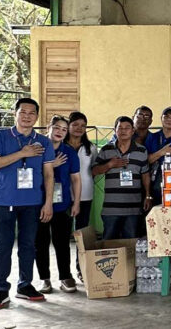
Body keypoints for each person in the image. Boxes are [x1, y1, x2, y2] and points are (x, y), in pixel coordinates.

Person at [0, 98, 55, 310]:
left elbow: (49, 174)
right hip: (4, 200)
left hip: (32, 202)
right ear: (14, 114)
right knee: (3, 246)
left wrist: (48, 203)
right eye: (22, 112)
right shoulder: (0, 136)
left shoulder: (43, 142)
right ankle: (0, 289)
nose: (27, 116)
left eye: (32, 113)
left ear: (37, 117)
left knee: (28, 246)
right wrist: (22, 153)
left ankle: (25, 285)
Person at [36, 115, 81, 294]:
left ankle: (65, 276)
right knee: (40, 242)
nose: (60, 132)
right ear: (49, 127)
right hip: (38, 203)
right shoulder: (38, 148)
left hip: (62, 205)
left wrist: (76, 202)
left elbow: (76, 179)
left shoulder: (69, 152)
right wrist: (50, 165)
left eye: (64, 129)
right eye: (57, 128)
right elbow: (28, 172)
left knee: (62, 243)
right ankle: (44, 278)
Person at [92, 116, 152, 240]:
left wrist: (147, 196)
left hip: (133, 209)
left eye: (127, 128)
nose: (123, 131)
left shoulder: (141, 151)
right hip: (111, 209)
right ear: (115, 130)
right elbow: (94, 171)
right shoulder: (106, 149)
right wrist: (109, 165)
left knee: (131, 243)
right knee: (109, 243)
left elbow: (145, 175)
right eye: (120, 128)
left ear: (133, 131)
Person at [65, 111, 97, 282]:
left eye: (83, 126)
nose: (79, 128)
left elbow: (94, 169)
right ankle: (65, 273)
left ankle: (81, 269)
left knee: (81, 234)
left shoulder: (90, 148)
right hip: (63, 196)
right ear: (68, 126)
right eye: (75, 124)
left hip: (85, 195)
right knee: (63, 234)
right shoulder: (60, 145)